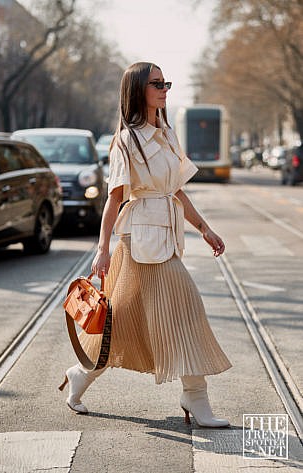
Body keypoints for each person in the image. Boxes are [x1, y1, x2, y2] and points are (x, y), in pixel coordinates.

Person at [59, 62, 232, 427]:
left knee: (120, 323)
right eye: (157, 83)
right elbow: (114, 197)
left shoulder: (168, 133)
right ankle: (196, 397)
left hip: (165, 239)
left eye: (166, 82)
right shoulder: (126, 140)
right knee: (187, 306)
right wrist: (102, 248)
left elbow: (176, 190)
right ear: (138, 90)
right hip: (139, 240)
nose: (164, 88)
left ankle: (80, 375)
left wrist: (204, 228)